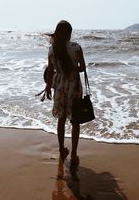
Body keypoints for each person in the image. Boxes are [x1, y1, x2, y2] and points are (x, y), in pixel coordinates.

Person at [46, 20, 86, 170]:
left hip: (59, 86)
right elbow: (82, 67)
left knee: (61, 119)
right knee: (75, 121)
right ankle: (74, 154)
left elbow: (50, 70)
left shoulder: (51, 49)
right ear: (69, 34)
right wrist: (74, 68)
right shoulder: (76, 48)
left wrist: (48, 87)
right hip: (73, 86)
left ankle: (62, 150)